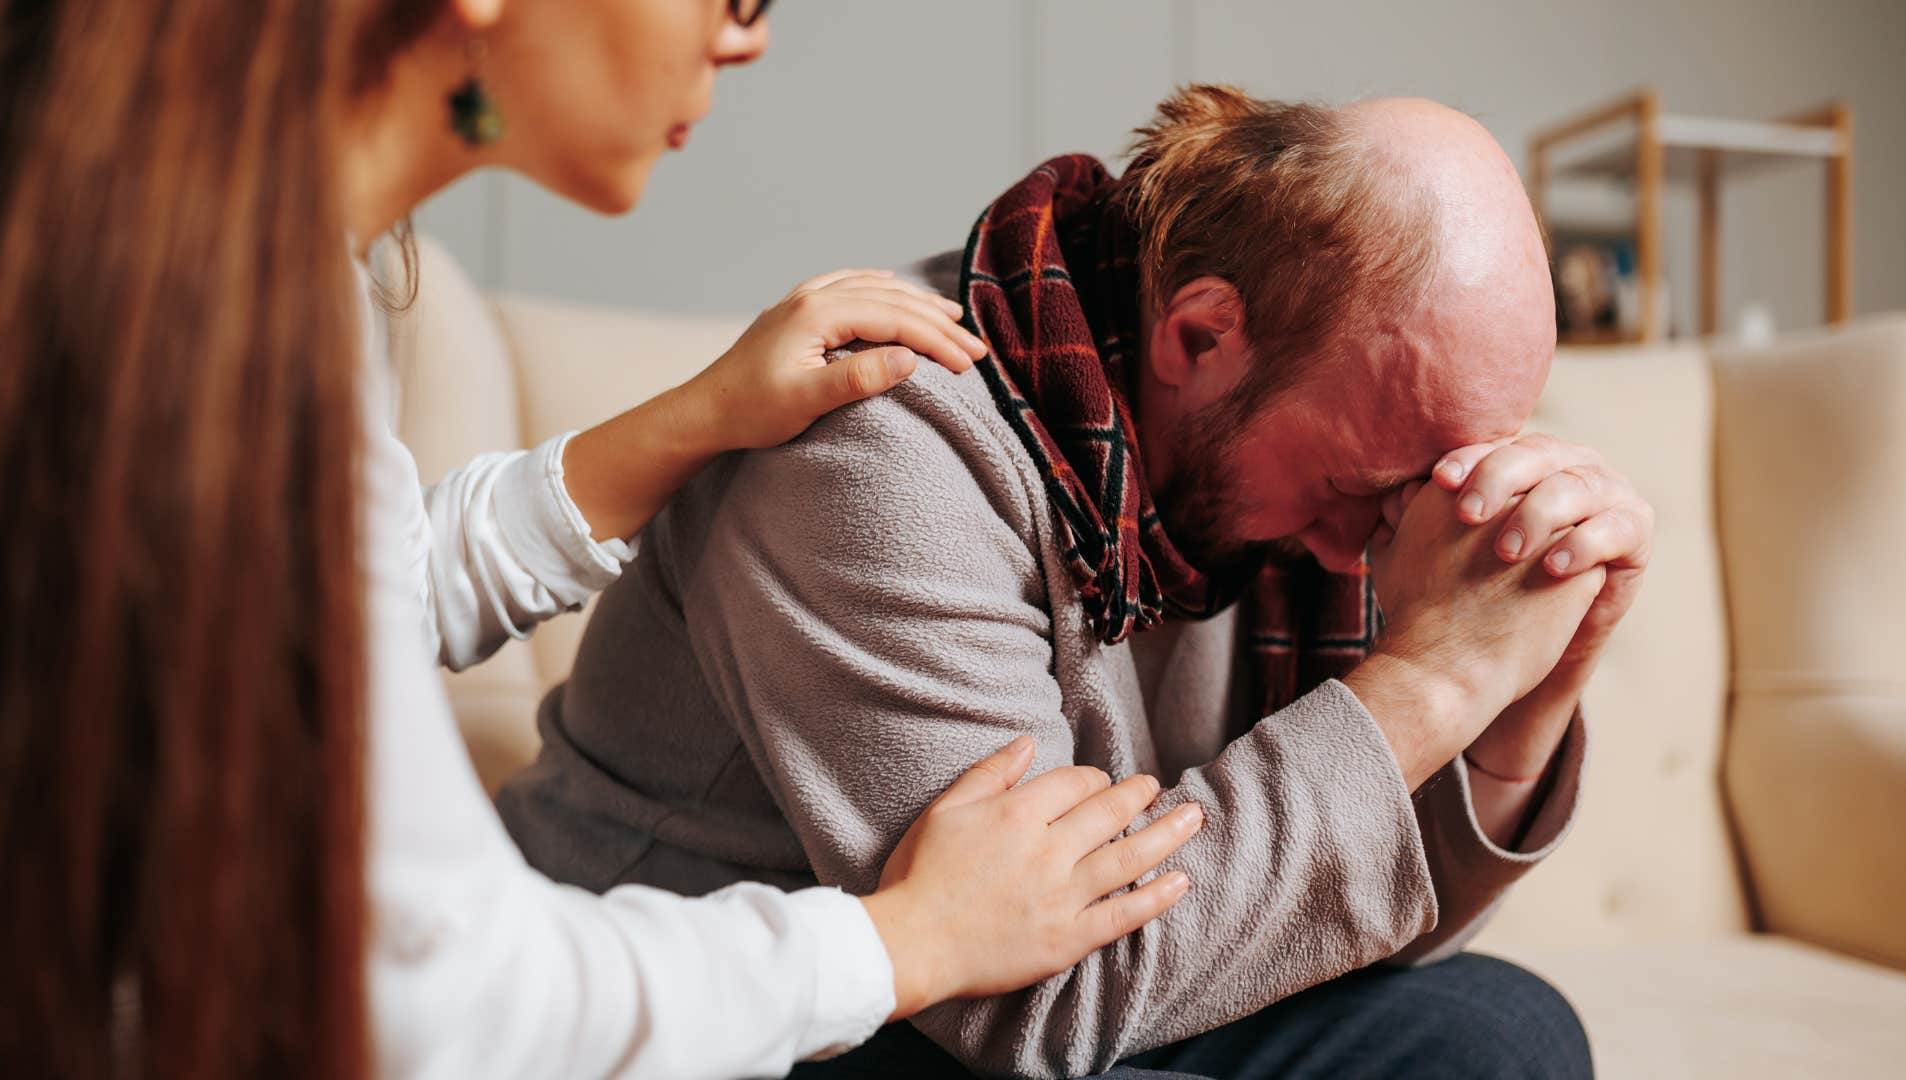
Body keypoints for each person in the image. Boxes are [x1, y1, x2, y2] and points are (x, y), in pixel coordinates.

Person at [0, 2, 1206, 1078]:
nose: (751, 37)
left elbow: (338, 604)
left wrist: (700, 413)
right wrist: (906, 939)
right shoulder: (225, 344)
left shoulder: (245, 265)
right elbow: (445, 1010)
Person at [497, 86, 1656, 1079]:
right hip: (740, 1015)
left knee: (1499, 1031)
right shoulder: (879, 441)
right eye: (1364, 484)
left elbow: (1361, 931)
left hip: (1062, 991)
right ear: (1202, 337)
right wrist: (1436, 680)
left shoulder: (1274, 486)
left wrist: (1529, 689)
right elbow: (1021, 1004)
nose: (1364, 554)